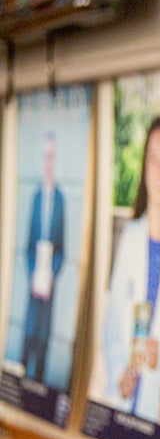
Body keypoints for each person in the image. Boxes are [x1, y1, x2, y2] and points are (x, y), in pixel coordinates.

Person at [102, 117, 160, 422]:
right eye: (151, 158)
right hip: (120, 393)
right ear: (143, 170)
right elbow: (112, 320)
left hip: (151, 399)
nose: (158, 167)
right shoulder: (130, 237)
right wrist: (118, 373)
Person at [22, 132, 66, 383]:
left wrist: (51, 274)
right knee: (29, 337)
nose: (48, 163)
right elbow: (28, 245)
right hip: (33, 284)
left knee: (43, 339)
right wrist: (32, 274)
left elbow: (62, 249)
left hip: (49, 285)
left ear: (55, 160)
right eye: (45, 157)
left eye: (52, 157)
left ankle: (37, 390)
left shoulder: (60, 200)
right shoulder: (35, 197)